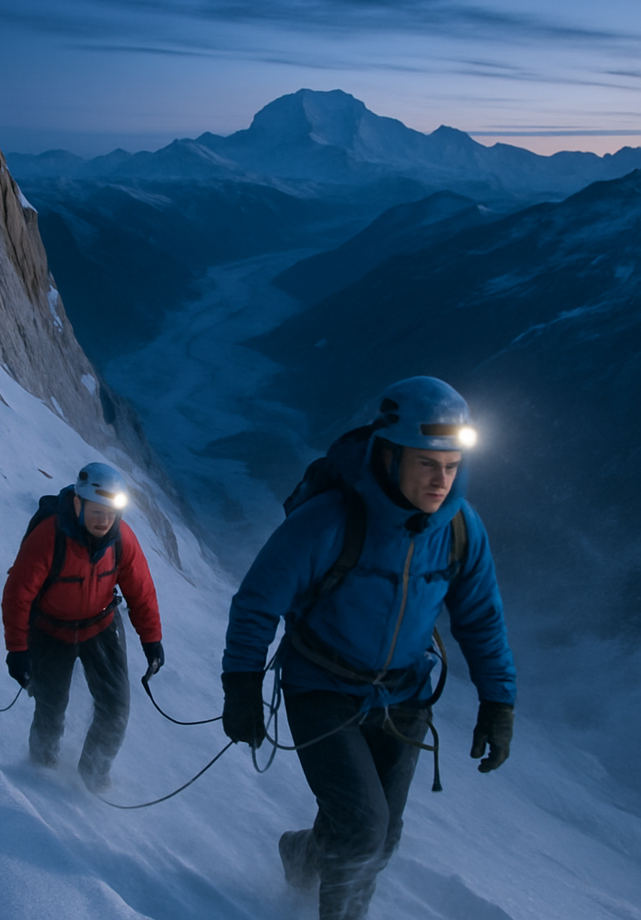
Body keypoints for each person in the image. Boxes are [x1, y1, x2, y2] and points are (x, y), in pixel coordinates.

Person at [221, 377, 516, 920]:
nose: (441, 479)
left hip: (403, 695)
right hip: (321, 687)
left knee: (381, 837)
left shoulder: (459, 531)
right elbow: (258, 602)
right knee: (362, 830)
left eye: (451, 465)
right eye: (428, 463)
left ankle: (301, 855)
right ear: (389, 454)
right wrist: (241, 683)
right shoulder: (330, 519)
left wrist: (499, 704)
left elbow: (481, 619)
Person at [2, 462, 164, 793]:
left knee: (116, 708)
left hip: (100, 625)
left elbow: (141, 590)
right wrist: (17, 650)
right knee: (50, 706)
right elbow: (18, 594)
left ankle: (91, 780)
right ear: (78, 503)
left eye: (110, 512)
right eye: (96, 510)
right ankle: (40, 773)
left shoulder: (122, 540)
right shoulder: (48, 537)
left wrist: (152, 640)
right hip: (51, 630)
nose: (104, 520)